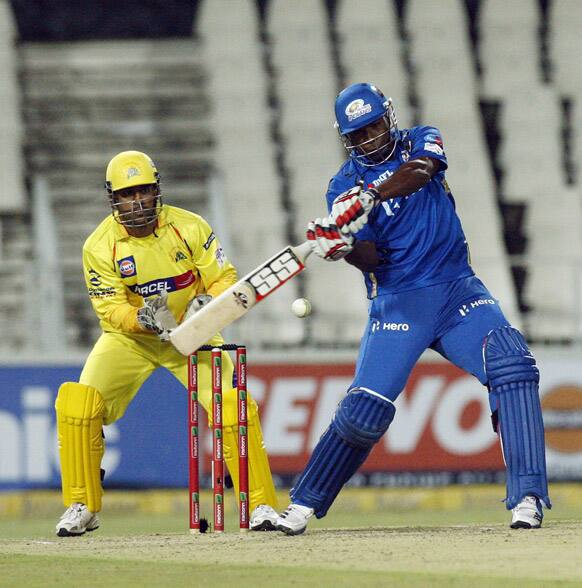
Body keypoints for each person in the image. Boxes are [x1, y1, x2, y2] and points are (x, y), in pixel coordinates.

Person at [275, 83, 551, 535]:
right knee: (365, 412)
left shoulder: (420, 140)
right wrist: (341, 247)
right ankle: (302, 505)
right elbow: (371, 258)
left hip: (459, 292)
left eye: (375, 126)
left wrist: (371, 196)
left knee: (512, 364)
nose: (370, 139)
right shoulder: (342, 186)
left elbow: (423, 170)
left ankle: (527, 497)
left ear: (390, 117)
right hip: (399, 302)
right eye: (358, 134)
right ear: (346, 139)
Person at [54, 150, 279, 536]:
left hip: (194, 335)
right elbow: (110, 310)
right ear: (113, 199)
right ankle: (83, 506)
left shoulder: (189, 227)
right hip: (130, 341)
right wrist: (142, 319)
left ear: (157, 190)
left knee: (232, 403)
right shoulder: (99, 245)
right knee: (78, 404)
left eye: (143, 191)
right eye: (127, 194)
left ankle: (259, 507)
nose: (137, 201)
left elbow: (224, 278)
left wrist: (209, 305)